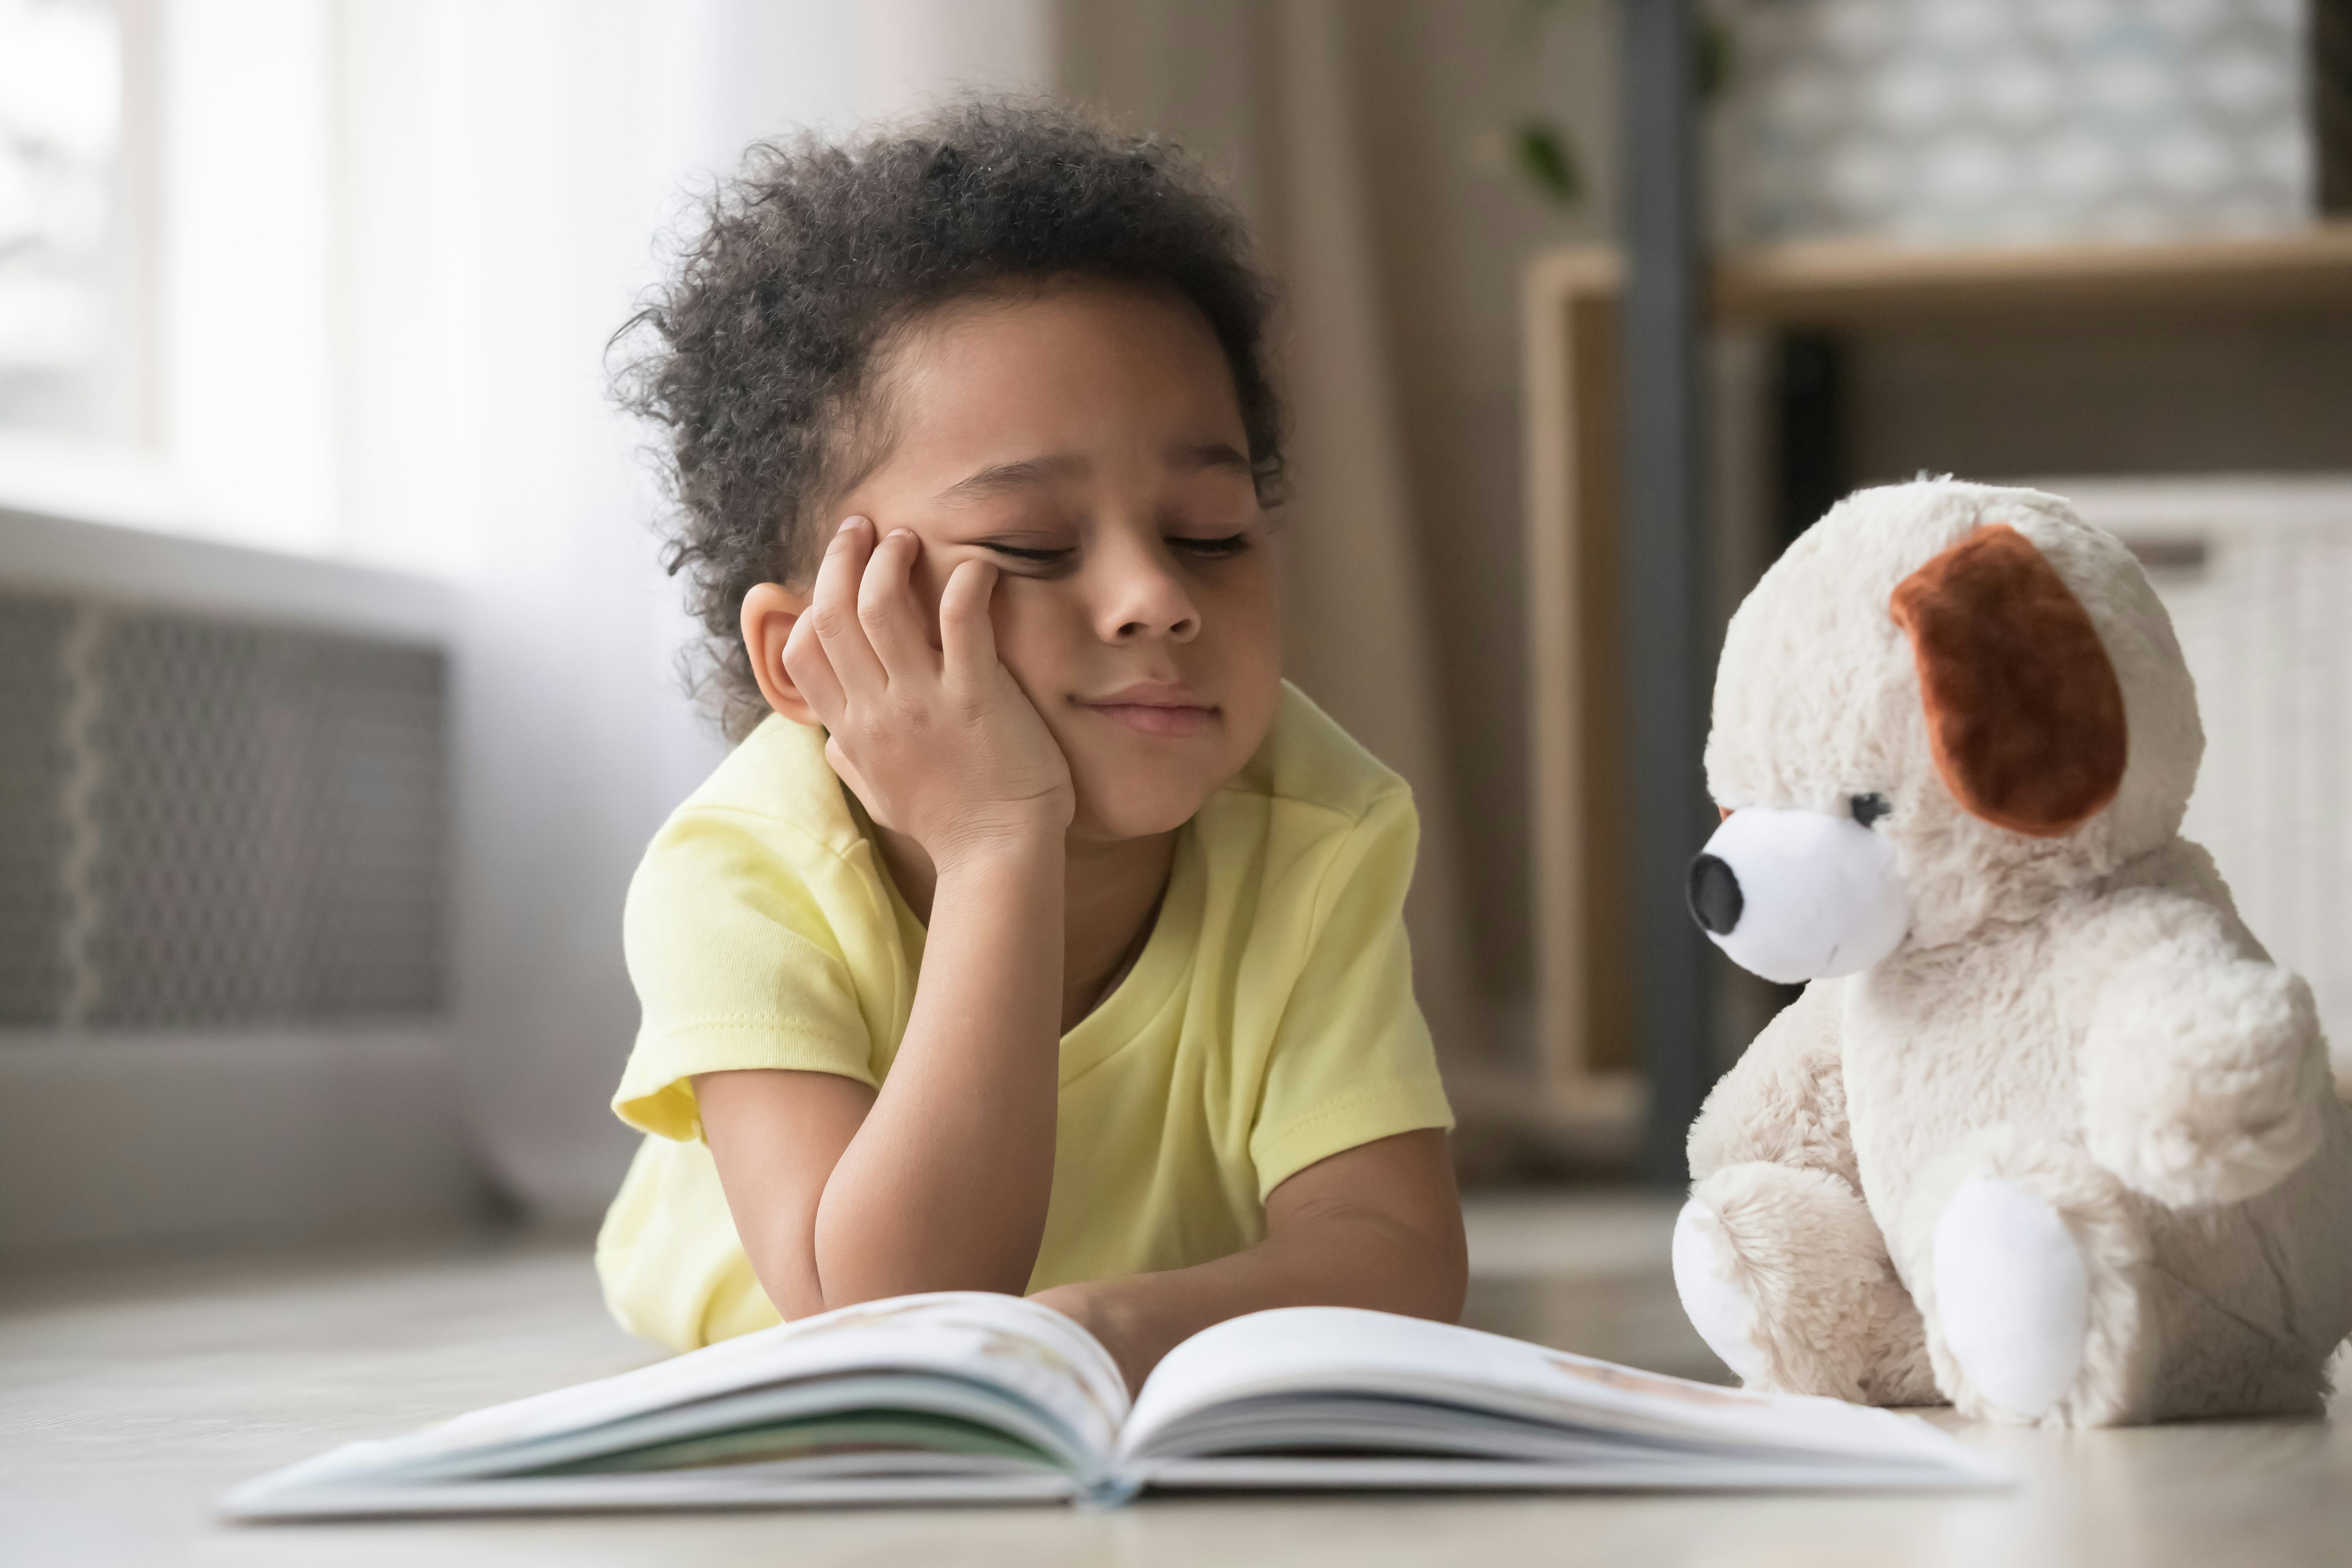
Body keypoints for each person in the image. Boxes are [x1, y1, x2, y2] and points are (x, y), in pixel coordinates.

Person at [596, 100, 1464, 1390]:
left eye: (1212, 530)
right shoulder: (738, 875)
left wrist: (1106, 1328)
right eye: (1035, 550)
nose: (1153, 597)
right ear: (808, 657)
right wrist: (1002, 844)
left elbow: (1397, 1254)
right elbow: (895, 1317)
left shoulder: (1316, 823)